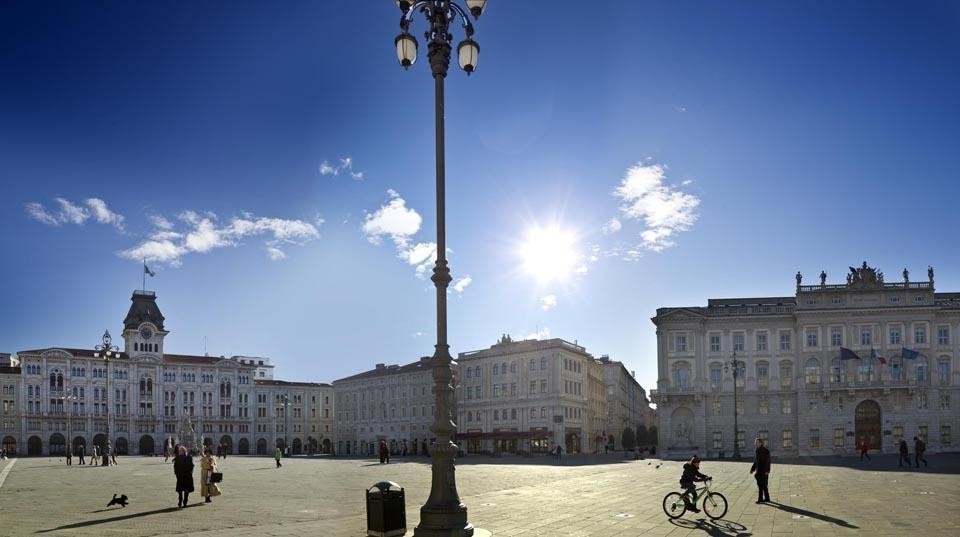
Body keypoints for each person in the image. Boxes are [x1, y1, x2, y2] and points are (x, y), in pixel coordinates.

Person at [750, 438, 771, 503]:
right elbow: (756, 461)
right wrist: (752, 469)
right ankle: (767, 498)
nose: (756, 444)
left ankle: (760, 499)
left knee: (762, 485)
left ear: (761, 443)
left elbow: (768, 461)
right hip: (759, 470)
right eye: (755, 442)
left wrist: (767, 471)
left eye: (757, 442)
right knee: (763, 485)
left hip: (764, 471)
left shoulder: (765, 451)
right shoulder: (757, 450)